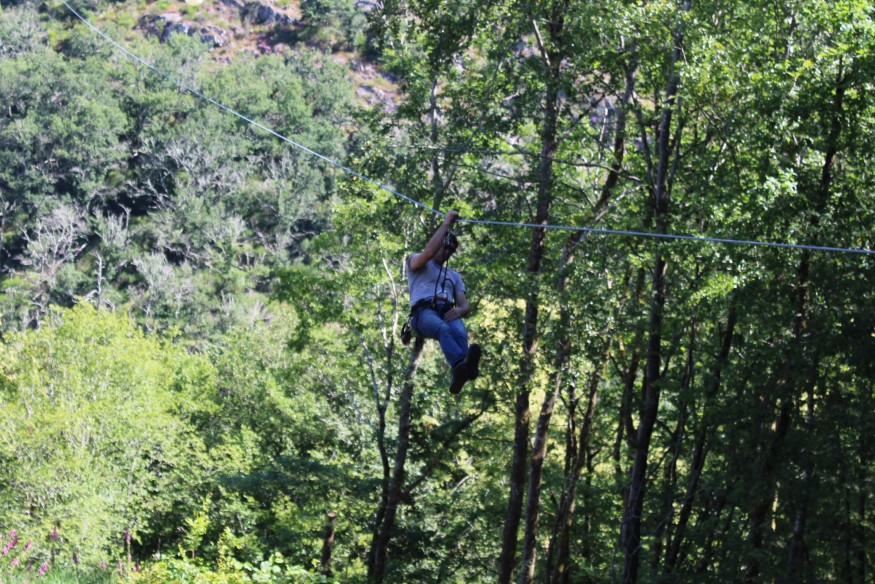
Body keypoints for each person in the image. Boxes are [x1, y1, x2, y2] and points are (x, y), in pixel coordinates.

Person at [407, 210, 481, 394]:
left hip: (447, 310)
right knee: (442, 328)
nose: (447, 252)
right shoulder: (417, 261)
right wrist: (446, 222)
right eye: (445, 247)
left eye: (451, 250)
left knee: (459, 331)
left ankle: (462, 371)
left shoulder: (454, 276)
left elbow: (464, 305)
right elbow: (429, 252)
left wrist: (460, 311)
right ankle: (460, 367)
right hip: (423, 313)